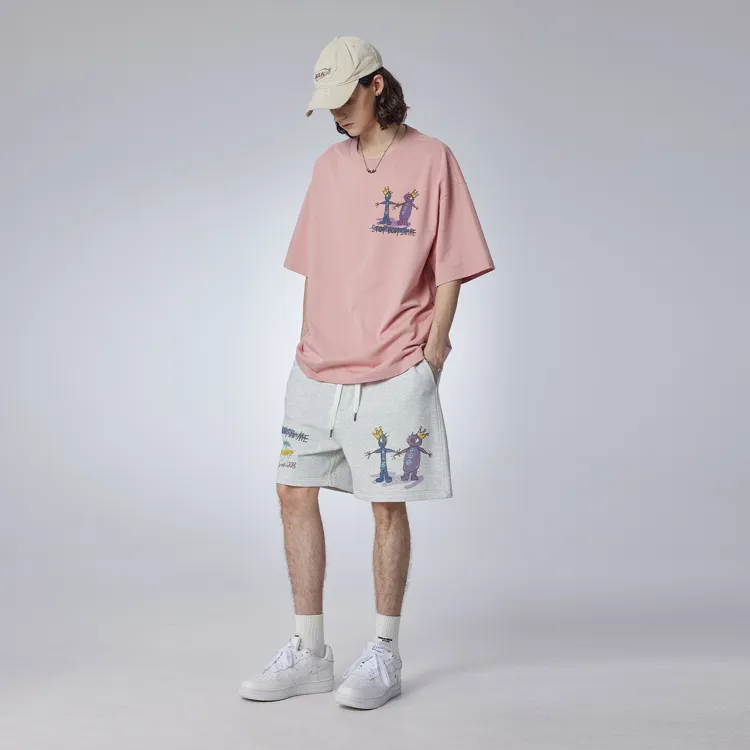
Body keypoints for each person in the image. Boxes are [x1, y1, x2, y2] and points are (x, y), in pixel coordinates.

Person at [239, 36, 495, 710]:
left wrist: (434, 351)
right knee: (293, 492)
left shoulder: (433, 160)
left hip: (394, 363)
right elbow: (315, 265)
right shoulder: (327, 167)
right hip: (318, 365)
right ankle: (310, 653)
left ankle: (384, 652)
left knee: (386, 505)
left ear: (375, 84)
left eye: (343, 97)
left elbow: (452, 264)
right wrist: (305, 340)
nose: (334, 112)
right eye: (325, 102)